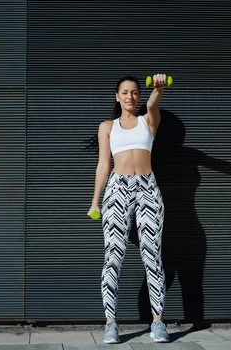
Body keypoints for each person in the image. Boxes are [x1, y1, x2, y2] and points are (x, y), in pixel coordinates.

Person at [87, 74, 170, 343]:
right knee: (113, 256)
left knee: (152, 256)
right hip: (117, 189)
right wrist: (95, 201)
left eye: (134, 92)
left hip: (148, 188)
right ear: (117, 96)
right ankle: (111, 322)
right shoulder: (108, 127)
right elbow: (103, 165)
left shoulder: (149, 120)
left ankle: (158, 322)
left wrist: (158, 88)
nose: (130, 97)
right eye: (125, 92)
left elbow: (155, 103)